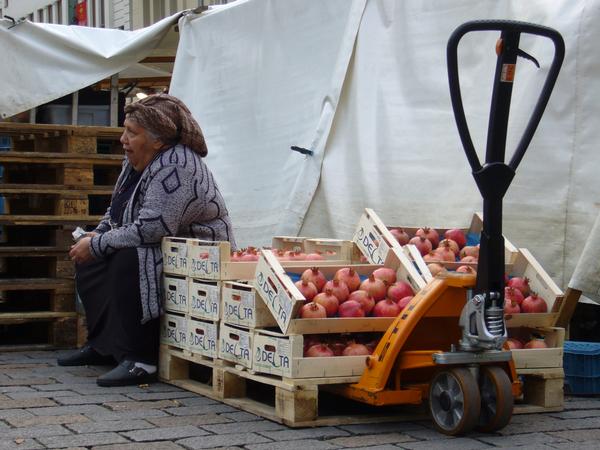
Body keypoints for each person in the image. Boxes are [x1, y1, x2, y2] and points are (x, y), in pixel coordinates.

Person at [58, 94, 236, 386]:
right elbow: (118, 210)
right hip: (161, 243)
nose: (122, 139)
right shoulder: (138, 160)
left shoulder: (177, 165)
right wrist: (97, 235)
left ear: (157, 140)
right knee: (92, 256)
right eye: (124, 129)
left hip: (197, 254)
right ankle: (105, 346)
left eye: (132, 132)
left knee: (129, 258)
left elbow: (155, 228)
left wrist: (101, 243)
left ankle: (141, 359)